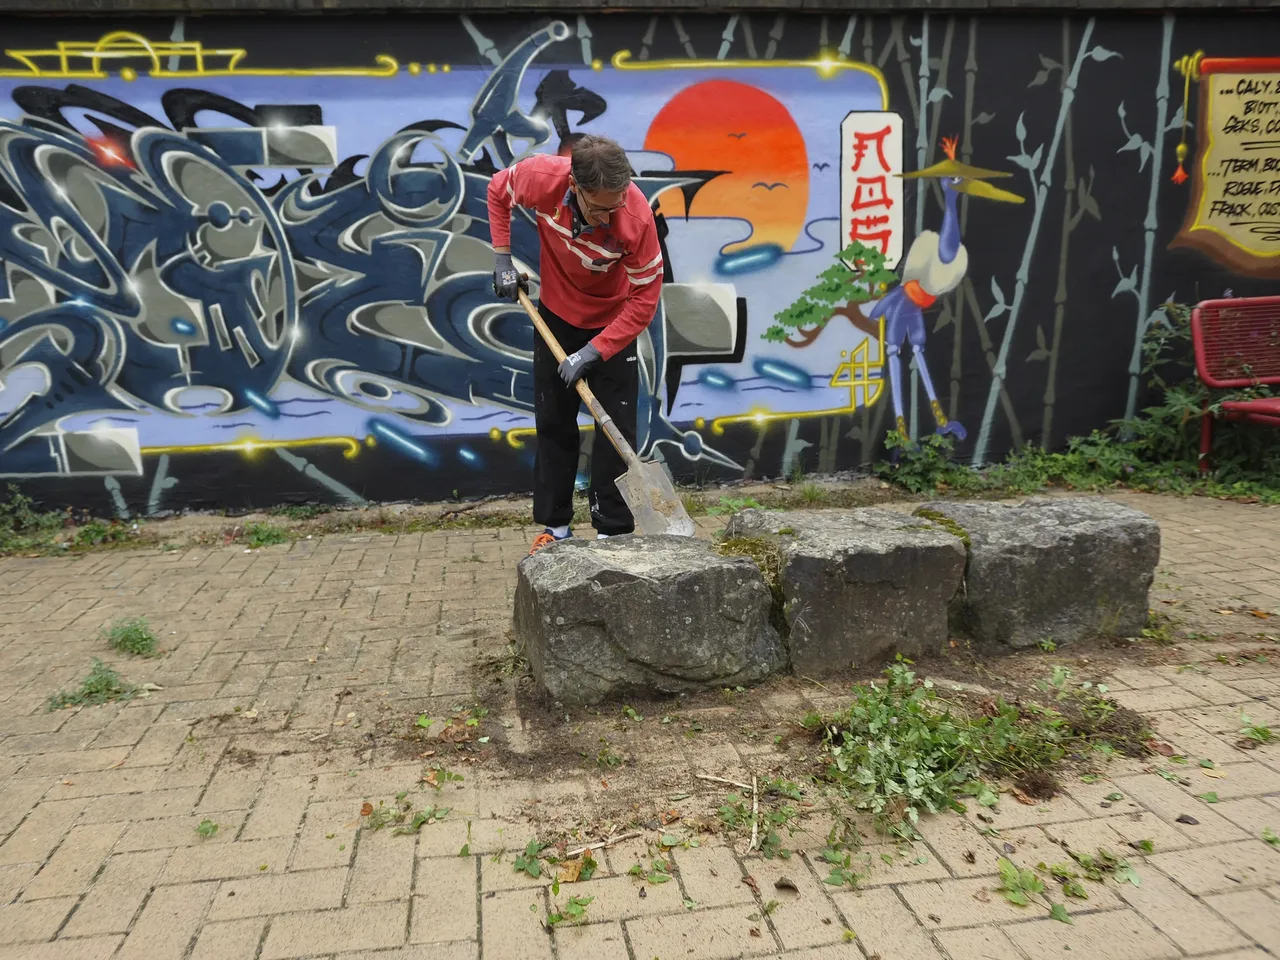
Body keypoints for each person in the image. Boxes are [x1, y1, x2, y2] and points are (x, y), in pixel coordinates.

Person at [486, 134, 664, 554]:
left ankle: (613, 532)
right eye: (600, 207)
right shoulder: (542, 178)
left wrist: (593, 352)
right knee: (554, 423)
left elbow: (644, 303)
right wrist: (501, 259)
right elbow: (498, 191)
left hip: (614, 322)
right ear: (576, 189)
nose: (609, 215)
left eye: (617, 203)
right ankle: (556, 528)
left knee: (617, 431)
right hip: (556, 315)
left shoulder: (635, 220)